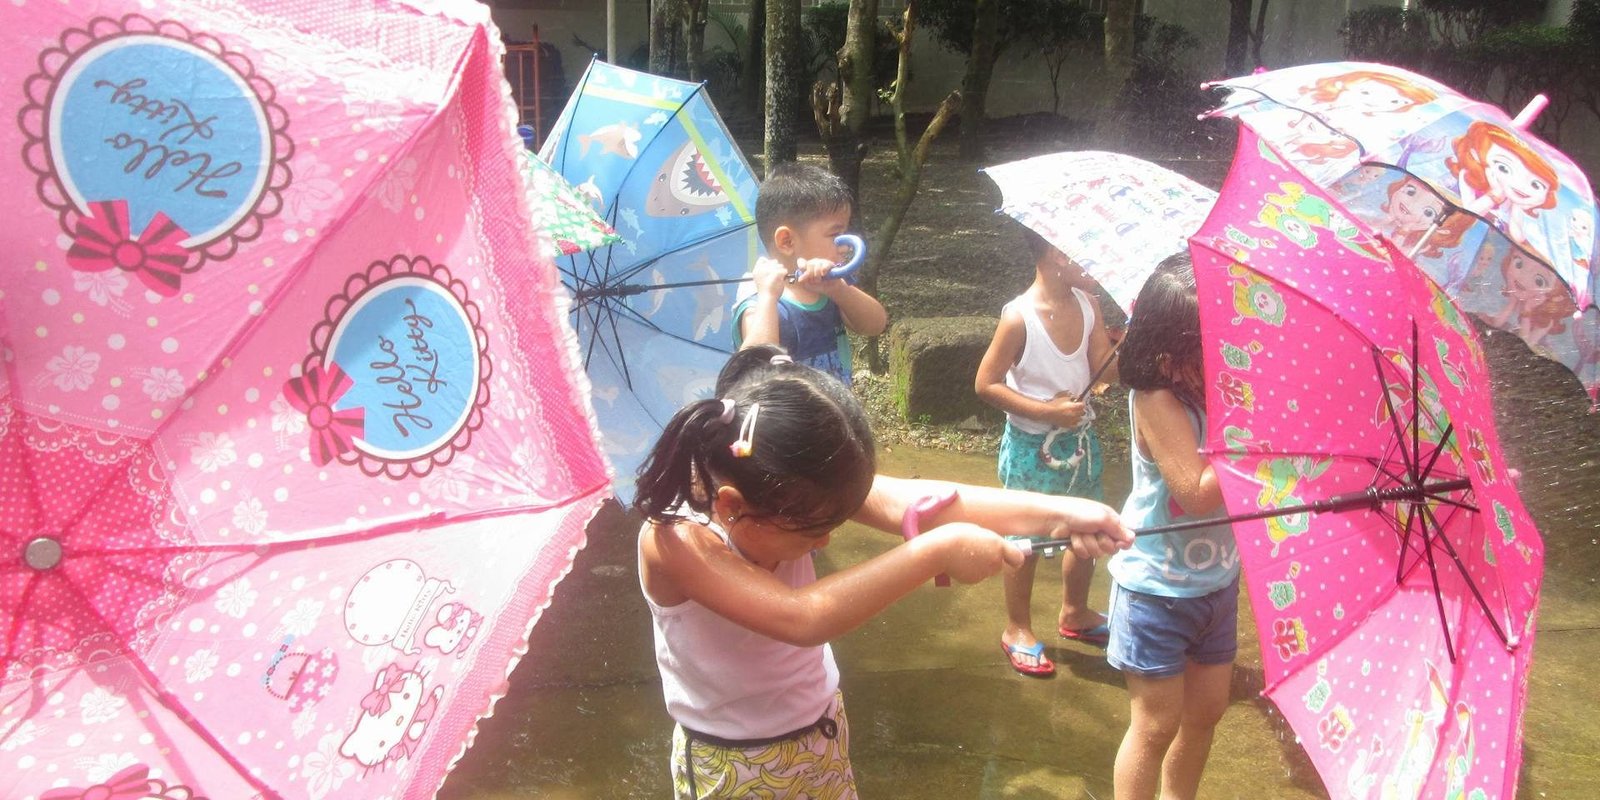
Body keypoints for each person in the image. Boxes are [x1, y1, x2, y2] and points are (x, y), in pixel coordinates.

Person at [635, 344, 1133, 799]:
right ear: (731, 506)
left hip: (821, 728)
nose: (825, 542)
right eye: (813, 532)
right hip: (736, 763)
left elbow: (918, 501)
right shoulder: (675, 540)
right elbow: (801, 617)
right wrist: (936, 552)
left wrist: (1060, 513)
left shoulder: (784, 486)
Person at [1106, 253, 1240, 800]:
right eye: (1208, 350)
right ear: (1168, 357)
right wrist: (1256, 438)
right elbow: (1197, 494)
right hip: (1155, 587)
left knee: (1206, 712)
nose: (1223, 358)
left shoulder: (1222, 392)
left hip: (1216, 582)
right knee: (1155, 725)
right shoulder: (1156, 400)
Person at [974, 226, 1120, 677]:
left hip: (1080, 444)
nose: (1096, 259)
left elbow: (1104, 374)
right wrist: (1046, 411)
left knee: (1086, 526)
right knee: (1026, 539)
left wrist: (1121, 348)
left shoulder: (1088, 304)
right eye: (1086, 248)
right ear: (1058, 253)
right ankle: (1016, 627)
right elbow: (986, 384)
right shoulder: (1019, 318)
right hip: (1030, 448)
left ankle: (1075, 611)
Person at [733, 164, 887, 384]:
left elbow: (875, 325)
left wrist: (838, 289)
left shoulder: (832, 287)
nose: (844, 246)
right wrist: (767, 297)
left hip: (835, 406)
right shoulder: (757, 299)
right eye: (835, 234)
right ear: (787, 241)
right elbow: (754, 367)